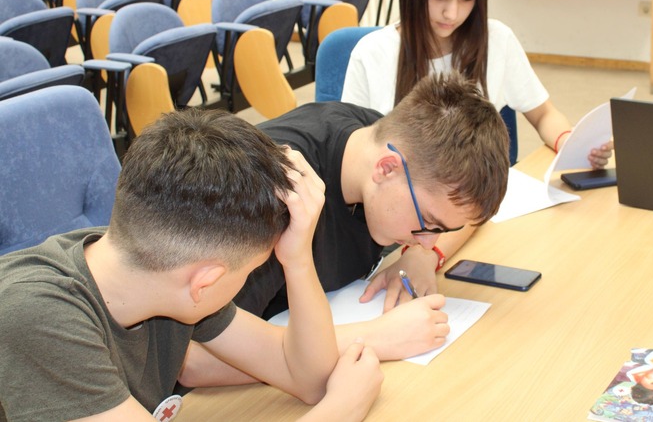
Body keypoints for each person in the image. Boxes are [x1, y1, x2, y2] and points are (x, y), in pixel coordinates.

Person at [0, 109, 382, 421]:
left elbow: (307, 377)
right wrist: (341, 411)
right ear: (204, 284)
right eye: (250, 271)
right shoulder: (36, 319)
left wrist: (297, 258)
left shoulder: (153, 268)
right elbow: (321, 391)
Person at [180, 72, 510, 387]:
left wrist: (423, 256)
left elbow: (461, 220)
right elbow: (191, 361)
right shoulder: (276, 196)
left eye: (438, 230)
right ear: (387, 169)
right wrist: (373, 337)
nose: (428, 239)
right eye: (427, 222)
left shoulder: (381, 139)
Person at [341, 0, 612, 168]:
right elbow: (352, 151)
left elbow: (544, 114)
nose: (452, 13)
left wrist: (569, 142)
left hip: (478, 195)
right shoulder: (372, 53)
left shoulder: (498, 41)